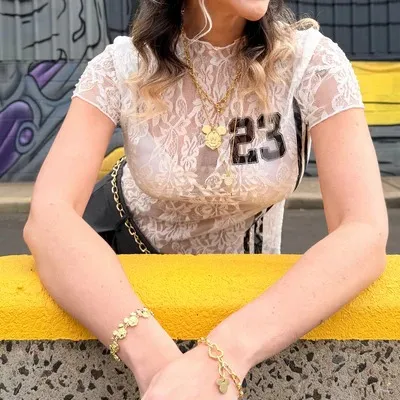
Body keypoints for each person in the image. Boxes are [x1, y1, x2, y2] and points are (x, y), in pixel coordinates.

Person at [23, 0, 388, 399]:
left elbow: (364, 232)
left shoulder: (312, 63)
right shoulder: (122, 66)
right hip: (118, 284)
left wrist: (221, 356)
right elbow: (49, 217)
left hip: (248, 307)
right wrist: (157, 365)